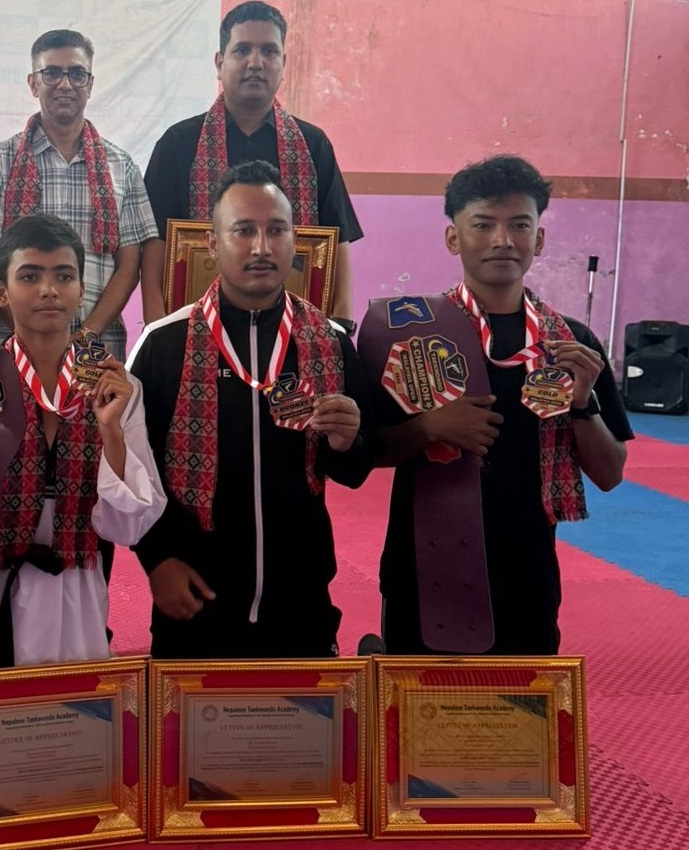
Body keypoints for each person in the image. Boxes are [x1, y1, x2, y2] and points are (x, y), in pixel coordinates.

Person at [370, 154, 633, 655]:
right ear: (453, 238)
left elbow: (610, 472)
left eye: (519, 225)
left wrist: (582, 404)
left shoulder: (571, 343)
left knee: (518, 700)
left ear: (539, 239)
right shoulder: (415, 335)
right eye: (483, 224)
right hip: (424, 563)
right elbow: (367, 453)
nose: (502, 240)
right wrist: (428, 428)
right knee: (418, 699)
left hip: (527, 569)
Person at [0, 215, 166, 669]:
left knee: (70, 708)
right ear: (2, 293)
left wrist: (112, 430)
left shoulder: (116, 387)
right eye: (30, 276)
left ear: (82, 290)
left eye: (64, 276)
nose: (48, 290)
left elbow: (127, 528)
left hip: (75, 593)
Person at [127, 161, 373, 659]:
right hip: (192, 598)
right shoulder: (163, 343)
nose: (261, 247)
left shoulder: (330, 342)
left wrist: (348, 442)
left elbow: (354, 471)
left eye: (276, 230)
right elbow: (133, 469)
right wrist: (156, 560)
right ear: (212, 244)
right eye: (243, 231)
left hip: (301, 599)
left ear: (295, 240)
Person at [140, 1, 364, 325]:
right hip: (193, 329)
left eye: (269, 51)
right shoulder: (178, 144)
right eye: (242, 50)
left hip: (295, 331)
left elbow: (337, 239)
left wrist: (340, 323)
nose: (255, 62)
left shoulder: (313, 145)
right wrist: (156, 324)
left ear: (283, 63)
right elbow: (154, 243)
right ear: (220, 63)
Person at [0, 29, 156, 361]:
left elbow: (128, 265)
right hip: (12, 346)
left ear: (90, 84)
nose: (65, 84)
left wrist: (85, 336)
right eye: (51, 73)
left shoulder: (122, 166)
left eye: (77, 74)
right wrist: (29, 334)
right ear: (33, 83)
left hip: (97, 349)